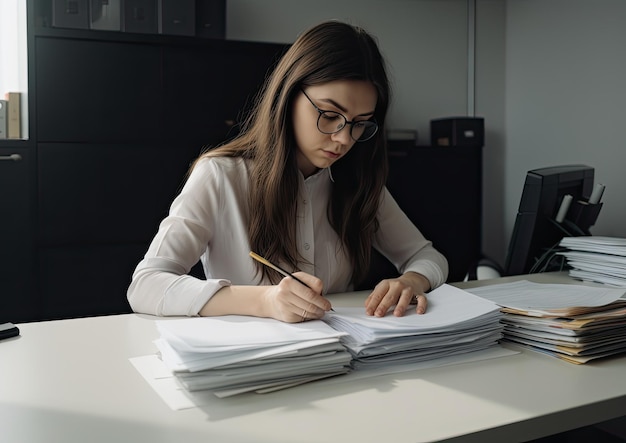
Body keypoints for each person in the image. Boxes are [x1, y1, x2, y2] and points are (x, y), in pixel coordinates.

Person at [127, 20, 448, 323]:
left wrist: (411, 280)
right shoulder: (221, 175)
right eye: (330, 114)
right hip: (251, 360)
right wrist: (264, 301)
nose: (343, 138)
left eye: (359, 123)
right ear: (289, 95)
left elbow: (427, 257)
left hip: (344, 353)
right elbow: (146, 285)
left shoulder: (356, 180)